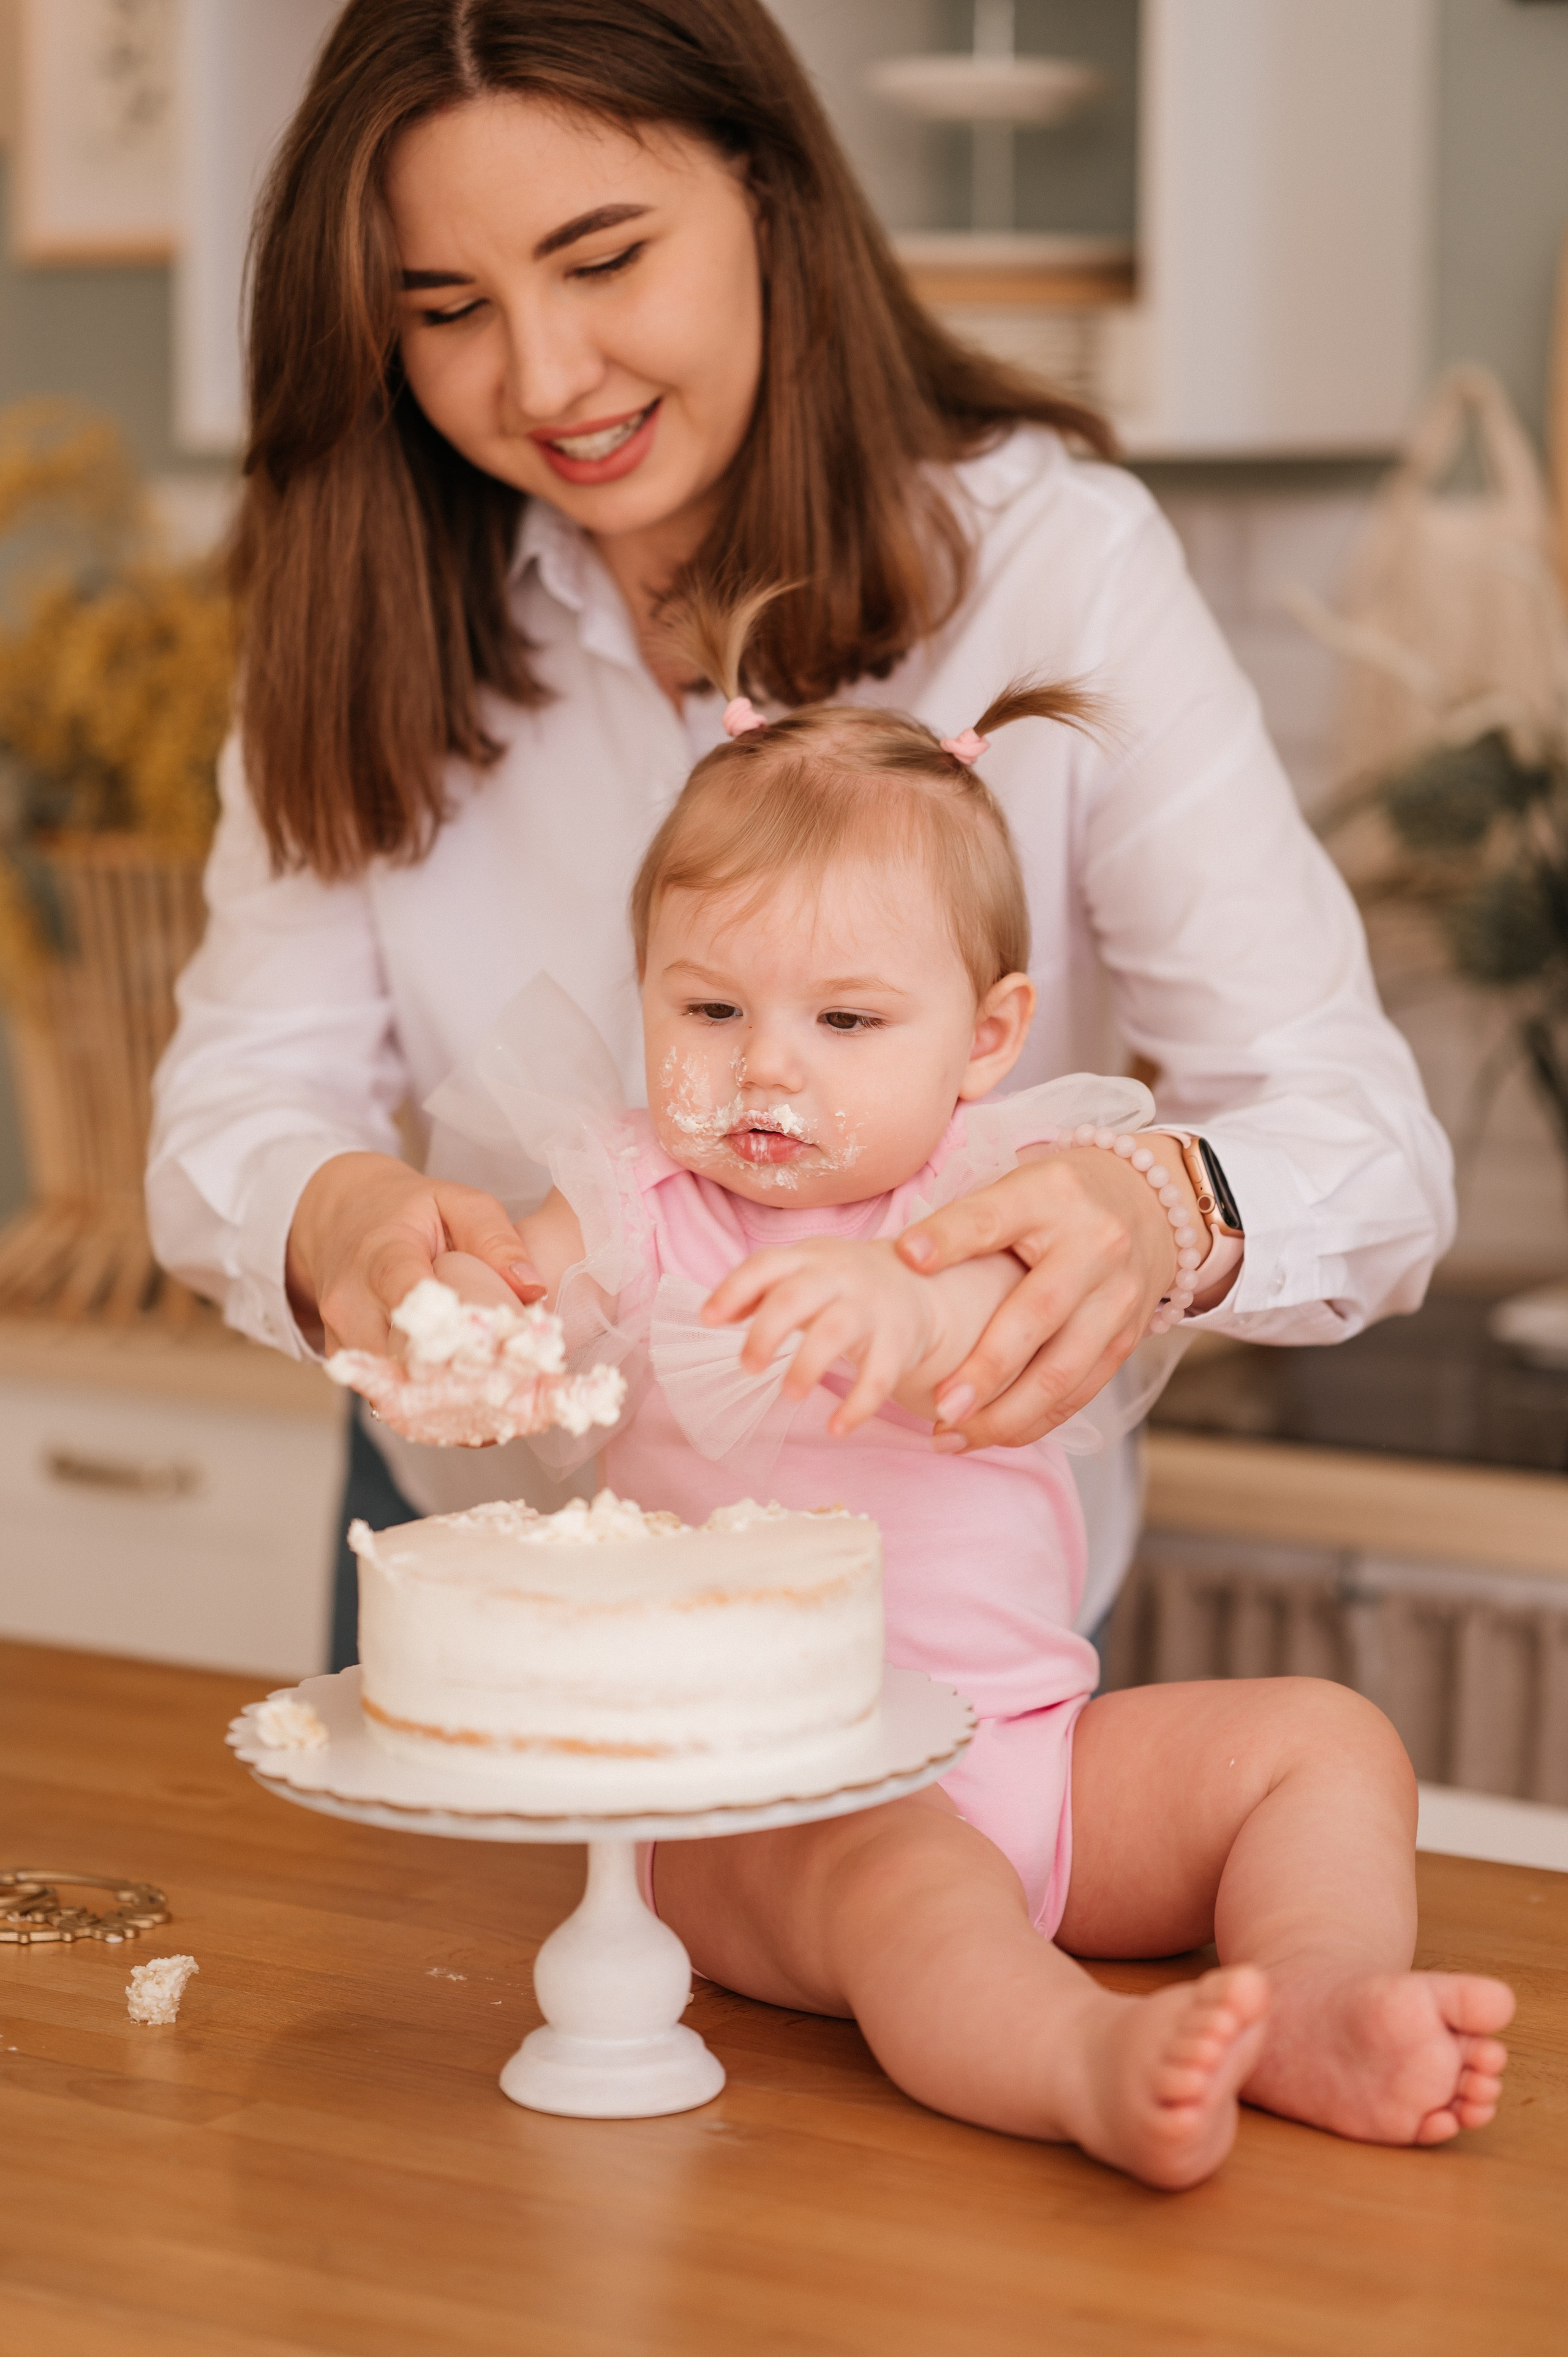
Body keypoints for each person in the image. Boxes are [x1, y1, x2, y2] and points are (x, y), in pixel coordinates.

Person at [147, 0, 1454, 1659]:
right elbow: (240, 1098)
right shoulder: (357, 610)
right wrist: (327, 1219)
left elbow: (1367, 1149)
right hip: (487, 1592)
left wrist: (1155, 1208)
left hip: (936, 1610)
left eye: (604, 259)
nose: (544, 375)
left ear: (766, 192)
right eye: (449, 307)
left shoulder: (1056, 566)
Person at [369, 638, 1511, 2190]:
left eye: (844, 1023)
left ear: (983, 1035)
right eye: (707, 1007)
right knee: (917, 1887)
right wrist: (479, 1331)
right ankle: (1074, 2061)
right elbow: (527, 1294)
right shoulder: (637, 1197)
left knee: (1324, 1741)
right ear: (643, 990)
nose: (763, 1069)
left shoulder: (998, 1193)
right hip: (777, 1804)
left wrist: (907, 1306)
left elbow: (1012, 1315)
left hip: (1033, 1749)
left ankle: (1309, 1996)